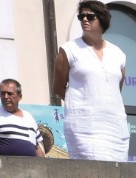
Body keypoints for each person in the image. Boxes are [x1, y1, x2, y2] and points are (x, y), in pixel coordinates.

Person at [51, 3, 127, 163]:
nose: (84, 19)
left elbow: (117, 88)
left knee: (117, 173)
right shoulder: (69, 50)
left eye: (90, 16)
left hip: (114, 125)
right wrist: (81, 100)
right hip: (84, 125)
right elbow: (58, 87)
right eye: (81, 16)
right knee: (90, 171)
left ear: (102, 19)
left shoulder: (118, 54)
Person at [0, 80, 45, 158]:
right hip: (5, 169)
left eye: (9, 93)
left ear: (20, 96)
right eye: (2, 93)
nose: (6, 97)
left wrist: (43, 168)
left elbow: (37, 147)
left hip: (31, 168)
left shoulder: (29, 117)